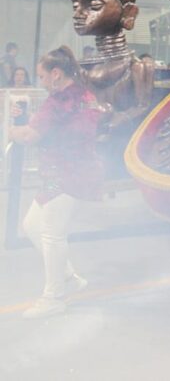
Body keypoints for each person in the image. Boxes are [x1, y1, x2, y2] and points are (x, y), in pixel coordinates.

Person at [8, 46, 104, 318]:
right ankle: (69, 278)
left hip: (69, 175)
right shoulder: (82, 95)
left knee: (51, 233)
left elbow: (29, 135)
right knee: (32, 225)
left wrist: (11, 130)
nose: (40, 81)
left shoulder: (60, 101)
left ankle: (54, 296)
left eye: (42, 76)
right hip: (66, 173)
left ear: (56, 74)